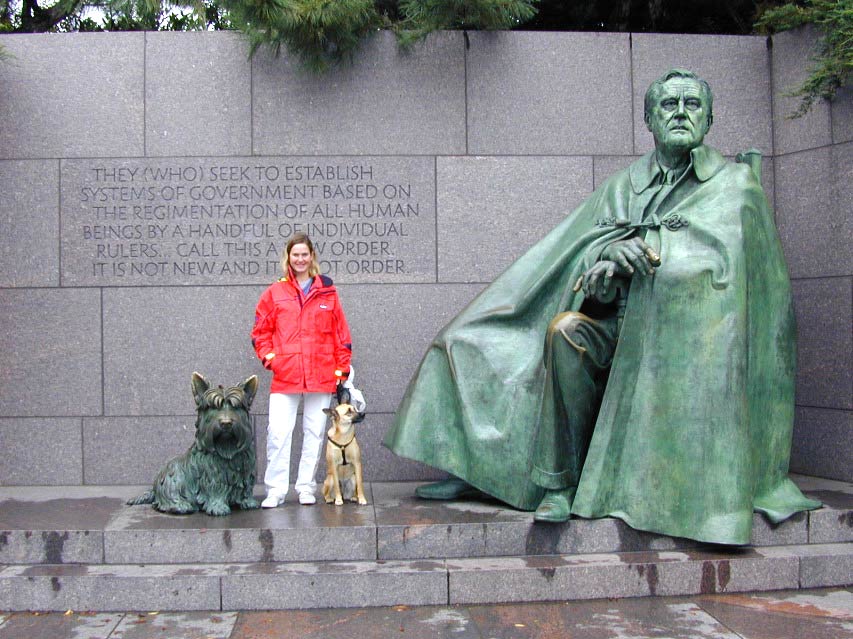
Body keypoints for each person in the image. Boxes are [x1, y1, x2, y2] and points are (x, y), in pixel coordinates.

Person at [383, 69, 820, 544]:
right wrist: (606, 260)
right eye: (667, 105)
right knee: (532, 334)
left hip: (678, 344)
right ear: (649, 119)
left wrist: (652, 250)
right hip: (614, 327)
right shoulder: (624, 185)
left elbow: (730, 280)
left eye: (691, 105)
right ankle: (533, 479)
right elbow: (578, 253)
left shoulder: (735, 186)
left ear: (709, 118)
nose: (679, 113)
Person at [252, 233, 353, 507]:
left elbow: (340, 333)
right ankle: (275, 490)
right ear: (288, 257)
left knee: (314, 432)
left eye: (304, 254)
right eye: (295, 254)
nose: (300, 259)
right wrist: (272, 359)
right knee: (279, 433)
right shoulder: (275, 292)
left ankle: (306, 487)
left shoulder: (328, 292)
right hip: (286, 375)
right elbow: (260, 331)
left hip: (320, 374)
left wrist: (341, 369)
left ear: (312, 257)